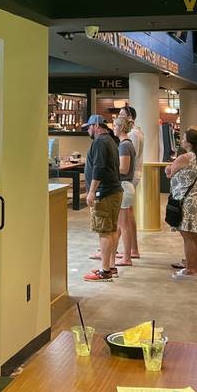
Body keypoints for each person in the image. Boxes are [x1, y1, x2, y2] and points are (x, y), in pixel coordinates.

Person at [165, 126, 197, 279]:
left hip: (185, 201)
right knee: (194, 234)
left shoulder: (184, 158)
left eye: (184, 137)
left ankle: (190, 269)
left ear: (190, 142)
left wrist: (168, 169)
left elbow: (170, 173)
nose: (182, 140)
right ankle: (195, 265)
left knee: (187, 235)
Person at [80, 115, 124, 281]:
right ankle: (110, 267)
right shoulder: (111, 141)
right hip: (114, 191)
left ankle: (105, 270)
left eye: (89, 127)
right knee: (111, 229)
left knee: (104, 231)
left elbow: (99, 167)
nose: (88, 131)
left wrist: (91, 191)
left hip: (105, 192)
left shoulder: (99, 141)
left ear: (96, 125)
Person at [111, 116, 139, 266]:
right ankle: (124, 254)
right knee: (123, 224)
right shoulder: (126, 144)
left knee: (123, 224)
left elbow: (124, 168)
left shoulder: (124, 145)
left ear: (121, 128)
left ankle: (126, 257)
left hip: (124, 185)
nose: (113, 128)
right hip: (126, 186)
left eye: (115, 126)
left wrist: (110, 169)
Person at [119, 105, 144, 259]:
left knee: (124, 214)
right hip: (133, 175)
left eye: (122, 115)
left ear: (129, 118)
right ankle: (132, 249)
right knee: (128, 212)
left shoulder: (133, 135)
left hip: (130, 176)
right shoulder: (136, 132)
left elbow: (129, 157)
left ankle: (124, 252)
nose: (118, 118)